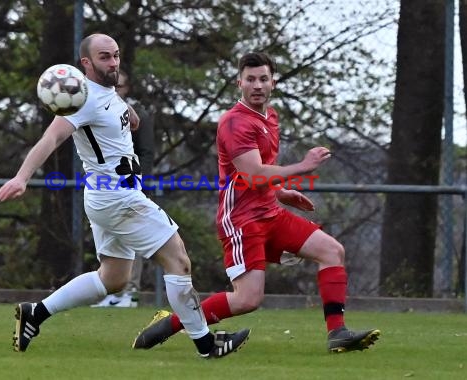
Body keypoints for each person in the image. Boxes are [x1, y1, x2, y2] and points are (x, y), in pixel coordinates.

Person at [0, 33, 249, 358]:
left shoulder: (107, 95)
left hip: (107, 197)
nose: (113, 62)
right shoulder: (80, 99)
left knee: (113, 278)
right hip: (118, 198)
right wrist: (22, 176)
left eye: (115, 55)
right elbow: (51, 137)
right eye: (104, 57)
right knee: (179, 260)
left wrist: (126, 110)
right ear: (85, 63)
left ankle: (36, 313)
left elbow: (110, 110)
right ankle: (206, 344)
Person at [132, 52, 381, 353]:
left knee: (331, 251)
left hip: (270, 213)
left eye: (263, 79)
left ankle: (337, 333)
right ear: (239, 83)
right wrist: (303, 166)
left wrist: (281, 193)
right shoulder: (235, 122)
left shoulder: (269, 117)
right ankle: (169, 325)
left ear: (273, 83)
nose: (257, 85)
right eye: (250, 79)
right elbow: (253, 174)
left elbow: (255, 176)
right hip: (242, 221)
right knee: (247, 299)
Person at [92, 69, 154, 308]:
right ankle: (110, 289)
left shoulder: (139, 115)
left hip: (130, 184)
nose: (115, 91)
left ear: (127, 89)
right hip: (104, 187)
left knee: (133, 238)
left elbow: (146, 152)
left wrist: (139, 183)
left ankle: (130, 292)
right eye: (112, 86)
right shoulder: (97, 111)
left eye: (120, 87)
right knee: (108, 237)